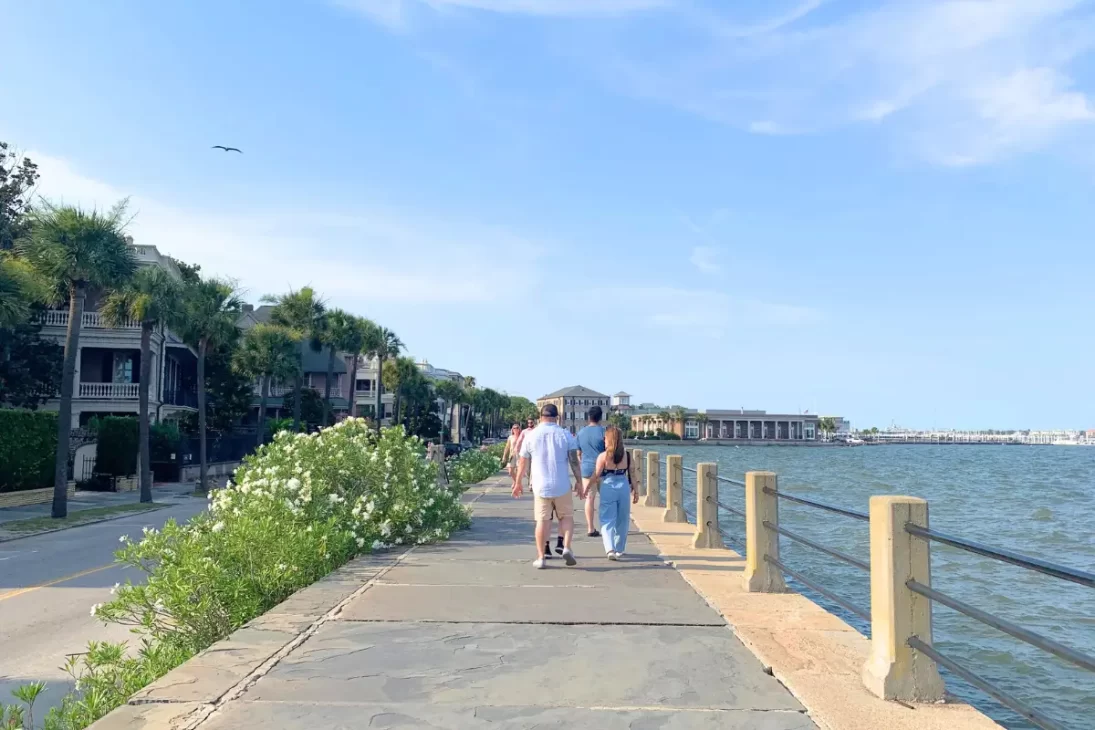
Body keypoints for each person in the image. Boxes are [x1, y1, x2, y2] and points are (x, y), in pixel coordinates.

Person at [513, 403, 585, 568]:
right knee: (566, 517)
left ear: (540, 417)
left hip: (540, 485)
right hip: (562, 484)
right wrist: (579, 482)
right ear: (557, 417)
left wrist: (517, 482)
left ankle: (541, 557)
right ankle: (566, 547)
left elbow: (523, 461)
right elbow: (574, 461)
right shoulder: (565, 434)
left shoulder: (531, 435)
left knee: (542, 521)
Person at [590, 425, 638, 560]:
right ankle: (619, 549)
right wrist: (636, 492)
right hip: (623, 486)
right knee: (622, 520)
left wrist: (586, 487)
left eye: (605, 439)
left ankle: (609, 548)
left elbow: (596, 475)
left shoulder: (603, 456)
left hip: (608, 485)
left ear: (608, 440)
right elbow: (633, 475)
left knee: (607, 519)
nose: (604, 441)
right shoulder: (627, 456)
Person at [576, 406, 606, 538]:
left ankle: (590, 527)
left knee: (589, 499)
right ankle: (607, 526)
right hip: (603, 470)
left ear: (588, 417)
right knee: (606, 499)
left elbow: (578, 454)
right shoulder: (604, 432)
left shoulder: (581, 433)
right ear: (601, 417)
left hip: (587, 469)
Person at [500, 423, 522, 489]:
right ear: (512, 429)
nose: (516, 429)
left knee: (518, 470)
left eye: (517, 428)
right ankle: (516, 482)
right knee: (510, 470)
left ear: (519, 429)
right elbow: (507, 447)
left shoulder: (522, 436)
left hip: (519, 455)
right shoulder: (510, 437)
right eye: (514, 428)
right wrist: (504, 456)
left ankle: (516, 483)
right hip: (512, 455)